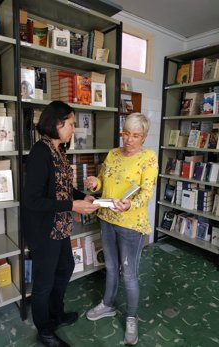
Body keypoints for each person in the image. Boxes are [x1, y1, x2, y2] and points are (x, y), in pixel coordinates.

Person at [22, 101, 99, 347]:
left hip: (60, 226)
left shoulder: (58, 150)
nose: (74, 129)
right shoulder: (39, 153)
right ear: (57, 123)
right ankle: (44, 330)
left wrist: (80, 197)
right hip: (43, 230)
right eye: (72, 124)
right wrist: (72, 206)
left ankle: (56, 315)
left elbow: (64, 188)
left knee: (65, 267)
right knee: (43, 283)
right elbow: (32, 201)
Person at [85, 113, 158, 345]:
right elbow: (103, 180)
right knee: (110, 266)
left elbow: (146, 192)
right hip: (107, 218)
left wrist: (129, 204)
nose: (129, 140)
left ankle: (131, 317)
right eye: (126, 134)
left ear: (143, 137)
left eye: (135, 135)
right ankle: (107, 304)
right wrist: (95, 183)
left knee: (129, 274)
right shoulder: (113, 154)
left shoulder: (149, 157)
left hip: (131, 224)